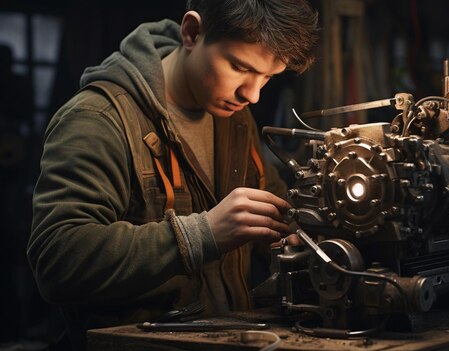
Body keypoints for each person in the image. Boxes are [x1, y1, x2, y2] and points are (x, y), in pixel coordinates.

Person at [26, 0, 318, 349]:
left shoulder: (233, 116)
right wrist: (200, 235)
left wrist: (296, 239)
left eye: (268, 76)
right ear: (192, 32)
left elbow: (273, 220)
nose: (253, 94)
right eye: (239, 67)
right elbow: (57, 261)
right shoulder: (99, 119)